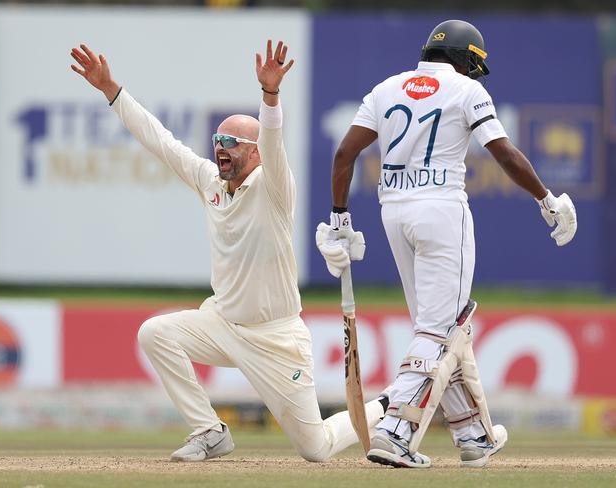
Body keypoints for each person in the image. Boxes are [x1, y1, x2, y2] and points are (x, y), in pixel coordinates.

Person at [70, 40, 388, 463]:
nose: (221, 147)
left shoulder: (274, 189)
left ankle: (386, 407)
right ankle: (209, 430)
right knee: (155, 332)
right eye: (218, 139)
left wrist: (270, 97)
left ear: (254, 153)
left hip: (275, 337)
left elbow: (274, 143)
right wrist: (112, 91)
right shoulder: (210, 183)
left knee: (316, 450)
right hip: (221, 322)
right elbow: (161, 142)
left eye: (233, 141)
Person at [316, 19, 577, 469]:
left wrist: (340, 216)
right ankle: (395, 430)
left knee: (440, 326)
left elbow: (344, 155)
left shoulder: (386, 88)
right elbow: (504, 152)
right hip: (441, 211)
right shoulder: (465, 90)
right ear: (464, 58)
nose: (476, 75)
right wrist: (546, 198)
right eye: (475, 65)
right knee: (440, 328)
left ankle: (473, 433)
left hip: (393, 213)